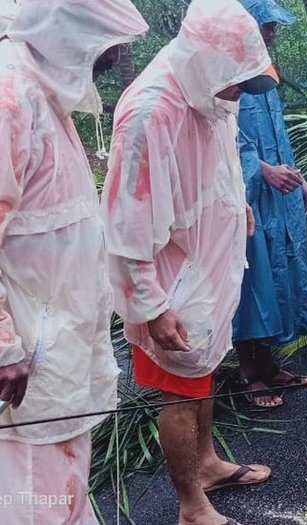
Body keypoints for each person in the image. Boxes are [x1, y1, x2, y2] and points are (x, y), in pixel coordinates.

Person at [101, 1, 278, 524]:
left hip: (206, 268)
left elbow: (216, 163)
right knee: (178, 390)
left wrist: (237, 204)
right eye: (236, 84)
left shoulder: (213, 88)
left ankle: (206, 464)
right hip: (169, 282)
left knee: (204, 371)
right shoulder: (150, 113)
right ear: (207, 63)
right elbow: (126, 225)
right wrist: (152, 306)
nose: (239, 94)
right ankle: (190, 505)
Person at [0, 0, 148, 523]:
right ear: (68, 30)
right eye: (105, 42)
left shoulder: (42, 91)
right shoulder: (9, 95)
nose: (113, 56)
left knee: (62, 476)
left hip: (59, 333)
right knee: (29, 489)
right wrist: (4, 345)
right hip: (30, 347)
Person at [233, 0, 307, 409]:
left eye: (273, 27)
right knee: (253, 281)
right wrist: (262, 170)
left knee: (280, 275)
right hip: (247, 198)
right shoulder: (227, 75)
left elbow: (281, 139)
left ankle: (270, 366)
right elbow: (223, 141)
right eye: (266, 26)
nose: (273, 34)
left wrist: (299, 181)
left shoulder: (266, 75)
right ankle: (250, 376)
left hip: (280, 197)